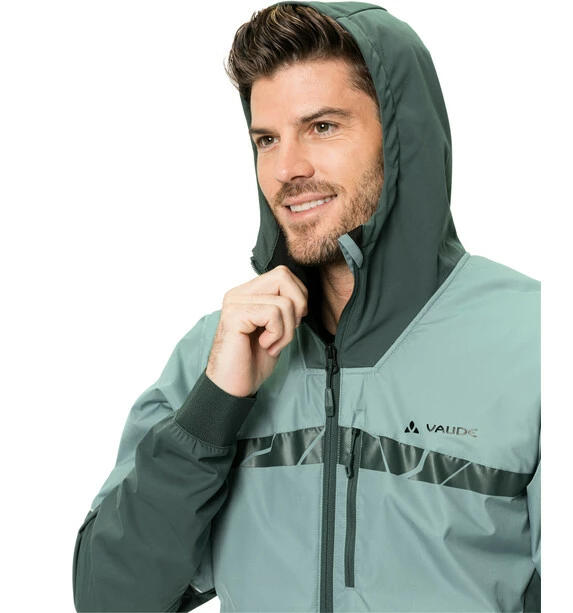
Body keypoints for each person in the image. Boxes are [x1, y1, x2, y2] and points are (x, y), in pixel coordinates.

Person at [72, 2, 541, 612]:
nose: (286, 169)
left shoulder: (536, 342)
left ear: (402, 137)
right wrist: (214, 410)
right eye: (267, 139)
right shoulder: (218, 353)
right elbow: (110, 599)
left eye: (322, 127)